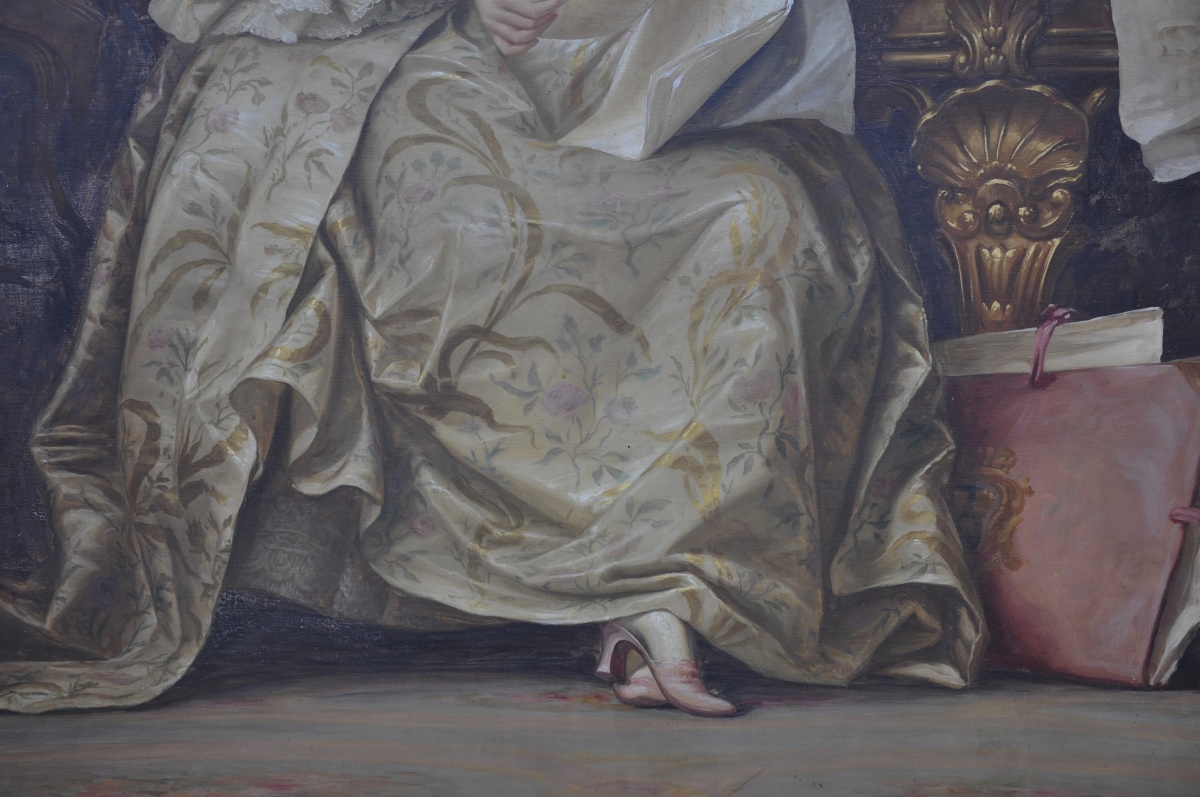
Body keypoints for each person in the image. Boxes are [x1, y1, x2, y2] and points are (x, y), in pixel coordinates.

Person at [0, 0, 985, 715]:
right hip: (389, 53)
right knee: (462, 226)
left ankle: (666, 587)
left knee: (765, 216)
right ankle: (632, 592)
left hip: (640, 69)